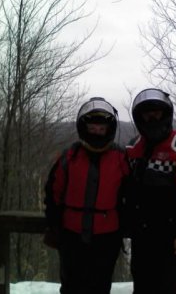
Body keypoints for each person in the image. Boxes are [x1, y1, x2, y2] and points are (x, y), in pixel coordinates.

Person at [124, 88, 176, 294]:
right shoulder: (132, 147)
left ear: (166, 114)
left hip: (170, 238)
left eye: (157, 113)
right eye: (147, 114)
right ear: (139, 117)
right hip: (140, 237)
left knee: (168, 287)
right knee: (142, 285)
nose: (152, 118)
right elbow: (124, 188)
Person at [43, 97, 129, 294]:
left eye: (101, 129)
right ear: (84, 128)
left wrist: (126, 224)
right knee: (71, 285)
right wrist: (53, 224)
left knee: (100, 285)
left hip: (107, 236)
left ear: (109, 129)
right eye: (92, 129)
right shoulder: (70, 156)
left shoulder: (120, 157)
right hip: (71, 234)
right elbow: (53, 193)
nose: (97, 133)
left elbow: (130, 194)